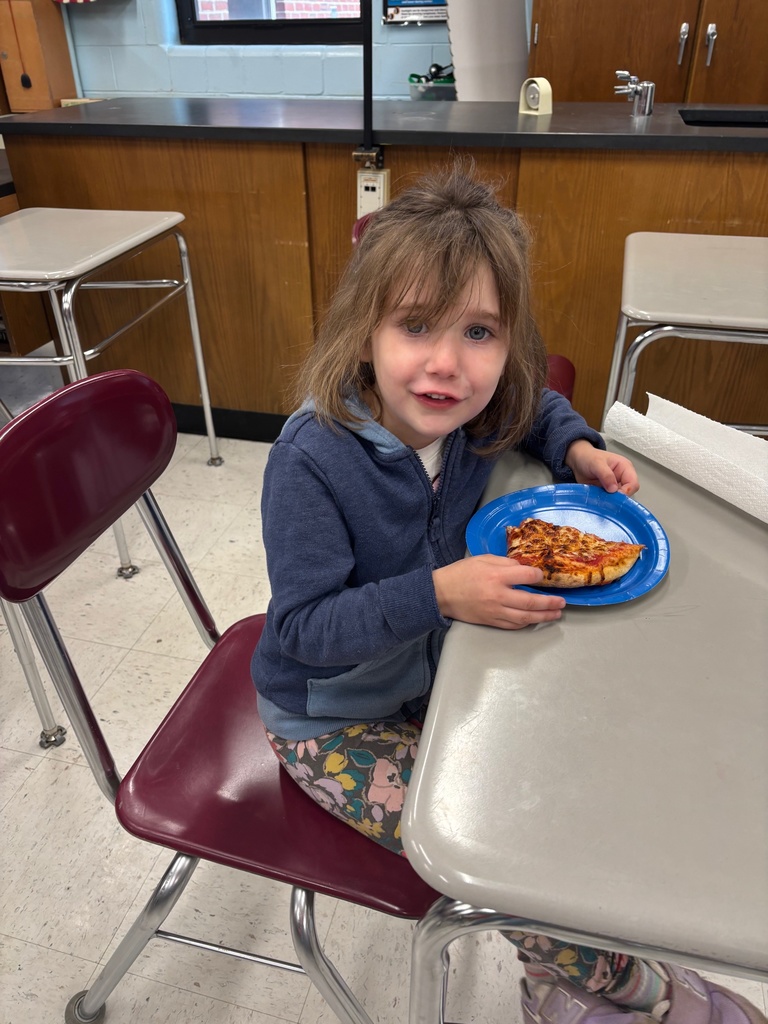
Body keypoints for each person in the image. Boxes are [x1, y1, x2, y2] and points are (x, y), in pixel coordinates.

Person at [251, 165, 766, 1024]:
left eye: (480, 332)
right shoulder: (311, 460)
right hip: (330, 720)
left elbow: (535, 405)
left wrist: (576, 449)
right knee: (519, 865)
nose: (447, 364)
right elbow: (303, 629)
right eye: (415, 326)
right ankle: (640, 993)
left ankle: (558, 985)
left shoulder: (473, 407)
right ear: (365, 331)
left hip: (437, 678)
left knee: (583, 790)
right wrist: (439, 595)